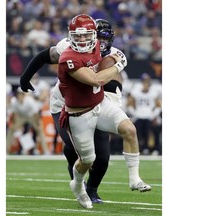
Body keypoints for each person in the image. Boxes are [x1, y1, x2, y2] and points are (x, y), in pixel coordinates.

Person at [20, 18, 124, 204]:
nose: (101, 44)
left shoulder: (113, 57)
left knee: (102, 155)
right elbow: (45, 55)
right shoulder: (68, 48)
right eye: (98, 38)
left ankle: (92, 190)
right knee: (74, 149)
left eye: (105, 40)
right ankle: (78, 185)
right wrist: (26, 77)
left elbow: (114, 84)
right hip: (64, 105)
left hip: (95, 103)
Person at [57, 14, 151, 209]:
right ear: (70, 36)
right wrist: (118, 64)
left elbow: (109, 57)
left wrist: (115, 60)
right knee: (87, 160)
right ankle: (77, 184)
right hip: (79, 114)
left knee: (130, 130)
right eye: (78, 36)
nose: (82, 40)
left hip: (100, 103)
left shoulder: (98, 47)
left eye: (86, 36)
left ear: (94, 35)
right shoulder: (68, 57)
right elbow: (96, 80)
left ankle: (134, 178)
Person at [126, 73, 162, 155]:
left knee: (151, 131)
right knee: (137, 132)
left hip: (149, 116)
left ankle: (151, 148)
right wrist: (135, 114)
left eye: (147, 82)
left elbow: (158, 106)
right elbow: (130, 104)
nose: (146, 84)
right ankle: (139, 148)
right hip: (139, 116)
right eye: (144, 82)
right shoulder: (136, 92)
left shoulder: (154, 92)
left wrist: (154, 115)